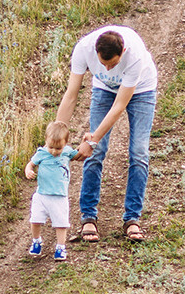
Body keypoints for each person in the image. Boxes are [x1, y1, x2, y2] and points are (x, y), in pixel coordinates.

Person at [54, 24, 160, 243]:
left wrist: (91, 140)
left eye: (113, 65)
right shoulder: (83, 48)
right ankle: (88, 217)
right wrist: (57, 136)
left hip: (142, 90)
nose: (109, 70)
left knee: (139, 152)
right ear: (96, 53)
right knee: (97, 153)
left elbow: (119, 107)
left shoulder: (135, 56)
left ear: (122, 54)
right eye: (103, 65)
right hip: (103, 90)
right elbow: (71, 94)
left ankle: (132, 219)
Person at [24, 120, 76, 262]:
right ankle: (36, 240)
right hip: (41, 194)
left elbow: (80, 155)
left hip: (59, 196)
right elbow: (31, 164)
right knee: (35, 220)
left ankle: (60, 247)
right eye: (51, 147)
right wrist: (28, 170)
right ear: (46, 141)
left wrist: (88, 144)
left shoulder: (67, 152)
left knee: (61, 223)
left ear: (65, 143)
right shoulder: (41, 153)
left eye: (58, 149)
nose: (54, 151)